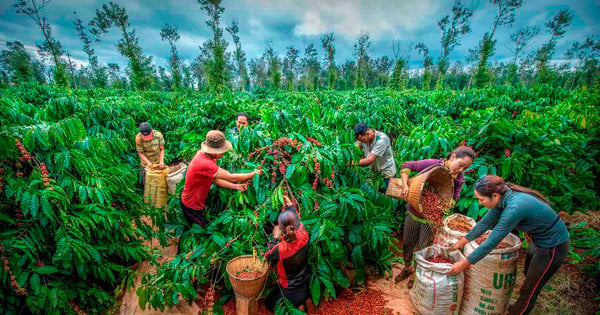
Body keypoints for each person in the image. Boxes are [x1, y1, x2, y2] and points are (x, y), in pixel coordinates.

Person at [447, 175, 570, 315]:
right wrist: (461, 242)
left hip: (553, 246)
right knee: (528, 276)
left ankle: (522, 306)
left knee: (529, 291)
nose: (479, 203)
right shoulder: (503, 198)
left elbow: (492, 242)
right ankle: (521, 305)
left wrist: (464, 264)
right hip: (538, 241)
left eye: (481, 199)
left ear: (494, 195)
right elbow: (485, 223)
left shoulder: (514, 207)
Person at [394, 146, 475, 288]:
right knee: (407, 243)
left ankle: (415, 274)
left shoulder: (458, 180)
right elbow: (407, 166)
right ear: (454, 156)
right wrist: (406, 186)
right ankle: (407, 268)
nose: (461, 170)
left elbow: (453, 199)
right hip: (413, 213)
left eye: (465, 168)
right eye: (461, 165)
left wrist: (444, 205)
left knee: (423, 248)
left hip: (429, 220)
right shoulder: (433, 164)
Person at [178, 130, 261, 253]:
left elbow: (215, 180)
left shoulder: (209, 157)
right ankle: (192, 256)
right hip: (191, 204)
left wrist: (236, 187)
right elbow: (231, 176)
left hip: (196, 202)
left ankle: (186, 251)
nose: (224, 152)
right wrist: (253, 174)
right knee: (202, 232)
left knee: (193, 227)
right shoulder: (203, 162)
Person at [265, 196, 313, 313]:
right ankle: (306, 300)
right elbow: (297, 218)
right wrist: (290, 205)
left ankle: (298, 305)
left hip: (290, 289)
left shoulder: (280, 249)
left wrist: (275, 237)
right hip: (304, 281)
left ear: (281, 229)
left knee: (269, 304)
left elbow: (268, 255)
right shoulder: (304, 233)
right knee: (302, 295)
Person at [353, 122, 397, 189]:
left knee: (387, 193)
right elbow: (357, 146)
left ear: (367, 134)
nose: (362, 142)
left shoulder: (382, 140)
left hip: (386, 173)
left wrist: (350, 163)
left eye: (363, 140)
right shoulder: (362, 137)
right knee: (377, 191)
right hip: (375, 172)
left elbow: (370, 160)